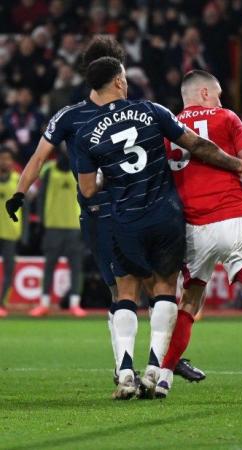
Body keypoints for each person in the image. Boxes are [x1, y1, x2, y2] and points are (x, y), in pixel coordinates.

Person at [4, 37, 205, 382]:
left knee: (139, 287)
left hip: (120, 209)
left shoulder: (89, 115)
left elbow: (38, 157)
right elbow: (39, 158)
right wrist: (20, 192)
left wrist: (21, 194)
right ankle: (134, 364)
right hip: (105, 213)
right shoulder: (74, 116)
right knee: (134, 287)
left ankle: (154, 360)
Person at [73, 57, 242, 399]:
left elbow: (89, 189)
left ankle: (125, 374)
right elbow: (199, 146)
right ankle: (156, 368)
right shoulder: (153, 111)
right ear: (120, 82)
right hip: (166, 214)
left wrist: (115, 179)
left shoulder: (87, 130)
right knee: (165, 289)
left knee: (125, 293)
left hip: (124, 216)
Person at [158, 70, 242, 398]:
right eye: (216, 95)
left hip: (193, 228)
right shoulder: (226, 117)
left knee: (188, 303)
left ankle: (161, 378)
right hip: (234, 220)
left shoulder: (168, 129)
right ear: (203, 93)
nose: (220, 101)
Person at [32, 148, 85, 317]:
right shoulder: (49, 170)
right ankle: (44, 304)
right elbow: (41, 196)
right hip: (53, 225)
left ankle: (75, 304)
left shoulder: (79, 168)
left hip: (73, 225)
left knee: (76, 267)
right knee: (49, 266)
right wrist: (41, 221)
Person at [0, 146, 21, 317]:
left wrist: (25, 232)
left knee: (9, 270)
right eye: (2, 158)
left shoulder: (17, 179)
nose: (4, 161)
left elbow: (26, 208)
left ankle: (1, 304)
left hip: (10, 232)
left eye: (7, 158)